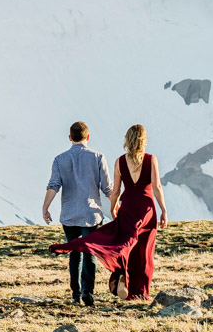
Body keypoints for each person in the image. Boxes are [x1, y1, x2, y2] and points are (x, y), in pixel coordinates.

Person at [51, 124, 167, 302]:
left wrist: (113, 208)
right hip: (146, 210)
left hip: (128, 207)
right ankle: (140, 292)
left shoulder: (120, 161)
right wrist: (163, 210)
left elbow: (115, 191)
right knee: (144, 252)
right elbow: (157, 187)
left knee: (124, 245)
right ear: (144, 140)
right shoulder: (151, 160)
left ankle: (119, 275)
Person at [42, 121, 111, 305]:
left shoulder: (59, 160)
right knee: (90, 252)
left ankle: (75, 294)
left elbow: (54, 185)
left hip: (70, 214)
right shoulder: (98, 157)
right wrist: (116, 207)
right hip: (91, 214)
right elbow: (107, 188)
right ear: (88, 137)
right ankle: (88, 292)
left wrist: (45, 207)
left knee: (74, 252)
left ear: (70, 138)